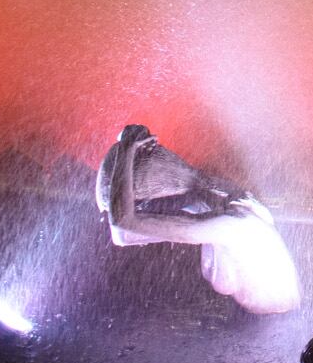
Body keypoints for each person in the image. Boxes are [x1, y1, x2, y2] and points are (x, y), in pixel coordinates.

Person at [96, 124, 299, 315]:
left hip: (279, 326)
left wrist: (127, 148)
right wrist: (127, 154)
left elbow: (123, 220)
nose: (144, 209)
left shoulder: (236, 224)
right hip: (253, 327)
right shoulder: (209, 204)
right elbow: (123, 235)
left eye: (141, 203)